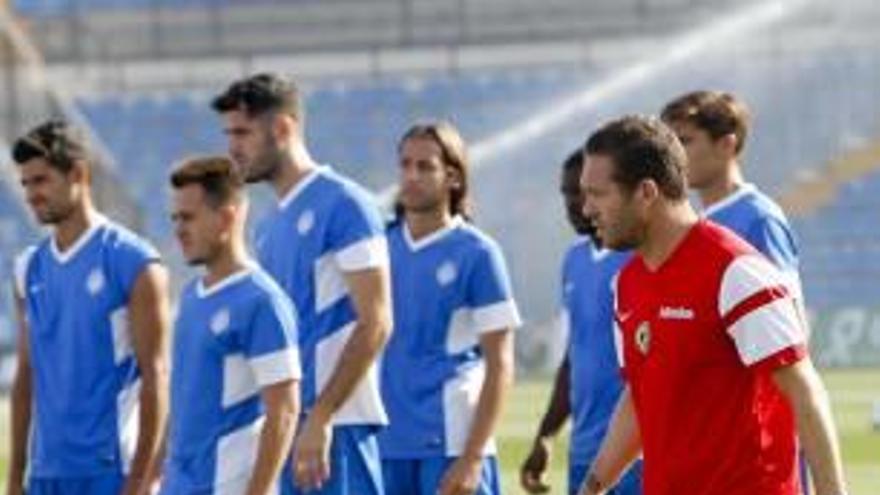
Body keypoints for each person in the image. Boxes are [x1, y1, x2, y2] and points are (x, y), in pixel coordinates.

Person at [576, 115, 847, 495]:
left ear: (646, 192)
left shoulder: (736, 272)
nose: (586, 209)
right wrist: (593, 485)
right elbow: (642, 397)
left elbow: (803, 389)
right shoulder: (627, 284)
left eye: (597, 194)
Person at [212, 73, 393, 494]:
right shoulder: (268, 225)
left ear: (283, 128)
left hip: (337, 429)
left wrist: (323, 416)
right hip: (290, 423)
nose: (232, 147)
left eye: (243, 132)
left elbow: (378, 320)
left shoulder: (346, 204)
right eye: (228, 134)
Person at [8, 120, 169, 495]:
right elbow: (26, 376)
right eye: (26, 183)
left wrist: (141, 482)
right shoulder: (27, 269)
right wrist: (15, 480)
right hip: (45, 475)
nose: (31, 194)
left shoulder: (134, 261)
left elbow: (156, 378)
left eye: (41, 180)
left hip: (110, 473)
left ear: (78, 174)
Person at [661, 91, 812, 492]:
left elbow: (791, 330)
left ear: (727, 143)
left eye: (687, 140)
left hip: (757, 436)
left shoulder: (757, 218)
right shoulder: (691, 225)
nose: (676, 153)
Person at [379, 122, 520, 495]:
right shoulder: (377, 248)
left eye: (425, 166)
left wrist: (472, 457)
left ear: (453, 177)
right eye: (405, 164)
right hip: (385, 442)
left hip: (451, 444)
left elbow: (501, 364)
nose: (411, 176)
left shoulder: (478, 253)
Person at [161, 156, 301, 494]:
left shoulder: (262, 301)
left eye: (189, 218)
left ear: (226, 218)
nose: (179, 229)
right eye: (175, 218)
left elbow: (284, 410)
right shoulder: (191, 296)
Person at [520, 150, 641, 495]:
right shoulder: (573, 259)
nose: (575, 203)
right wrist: (546, 435)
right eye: (568, 193)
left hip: (635, 452)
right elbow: (575, 357)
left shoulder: (639, 259)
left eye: (587, 193)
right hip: (583, 449)